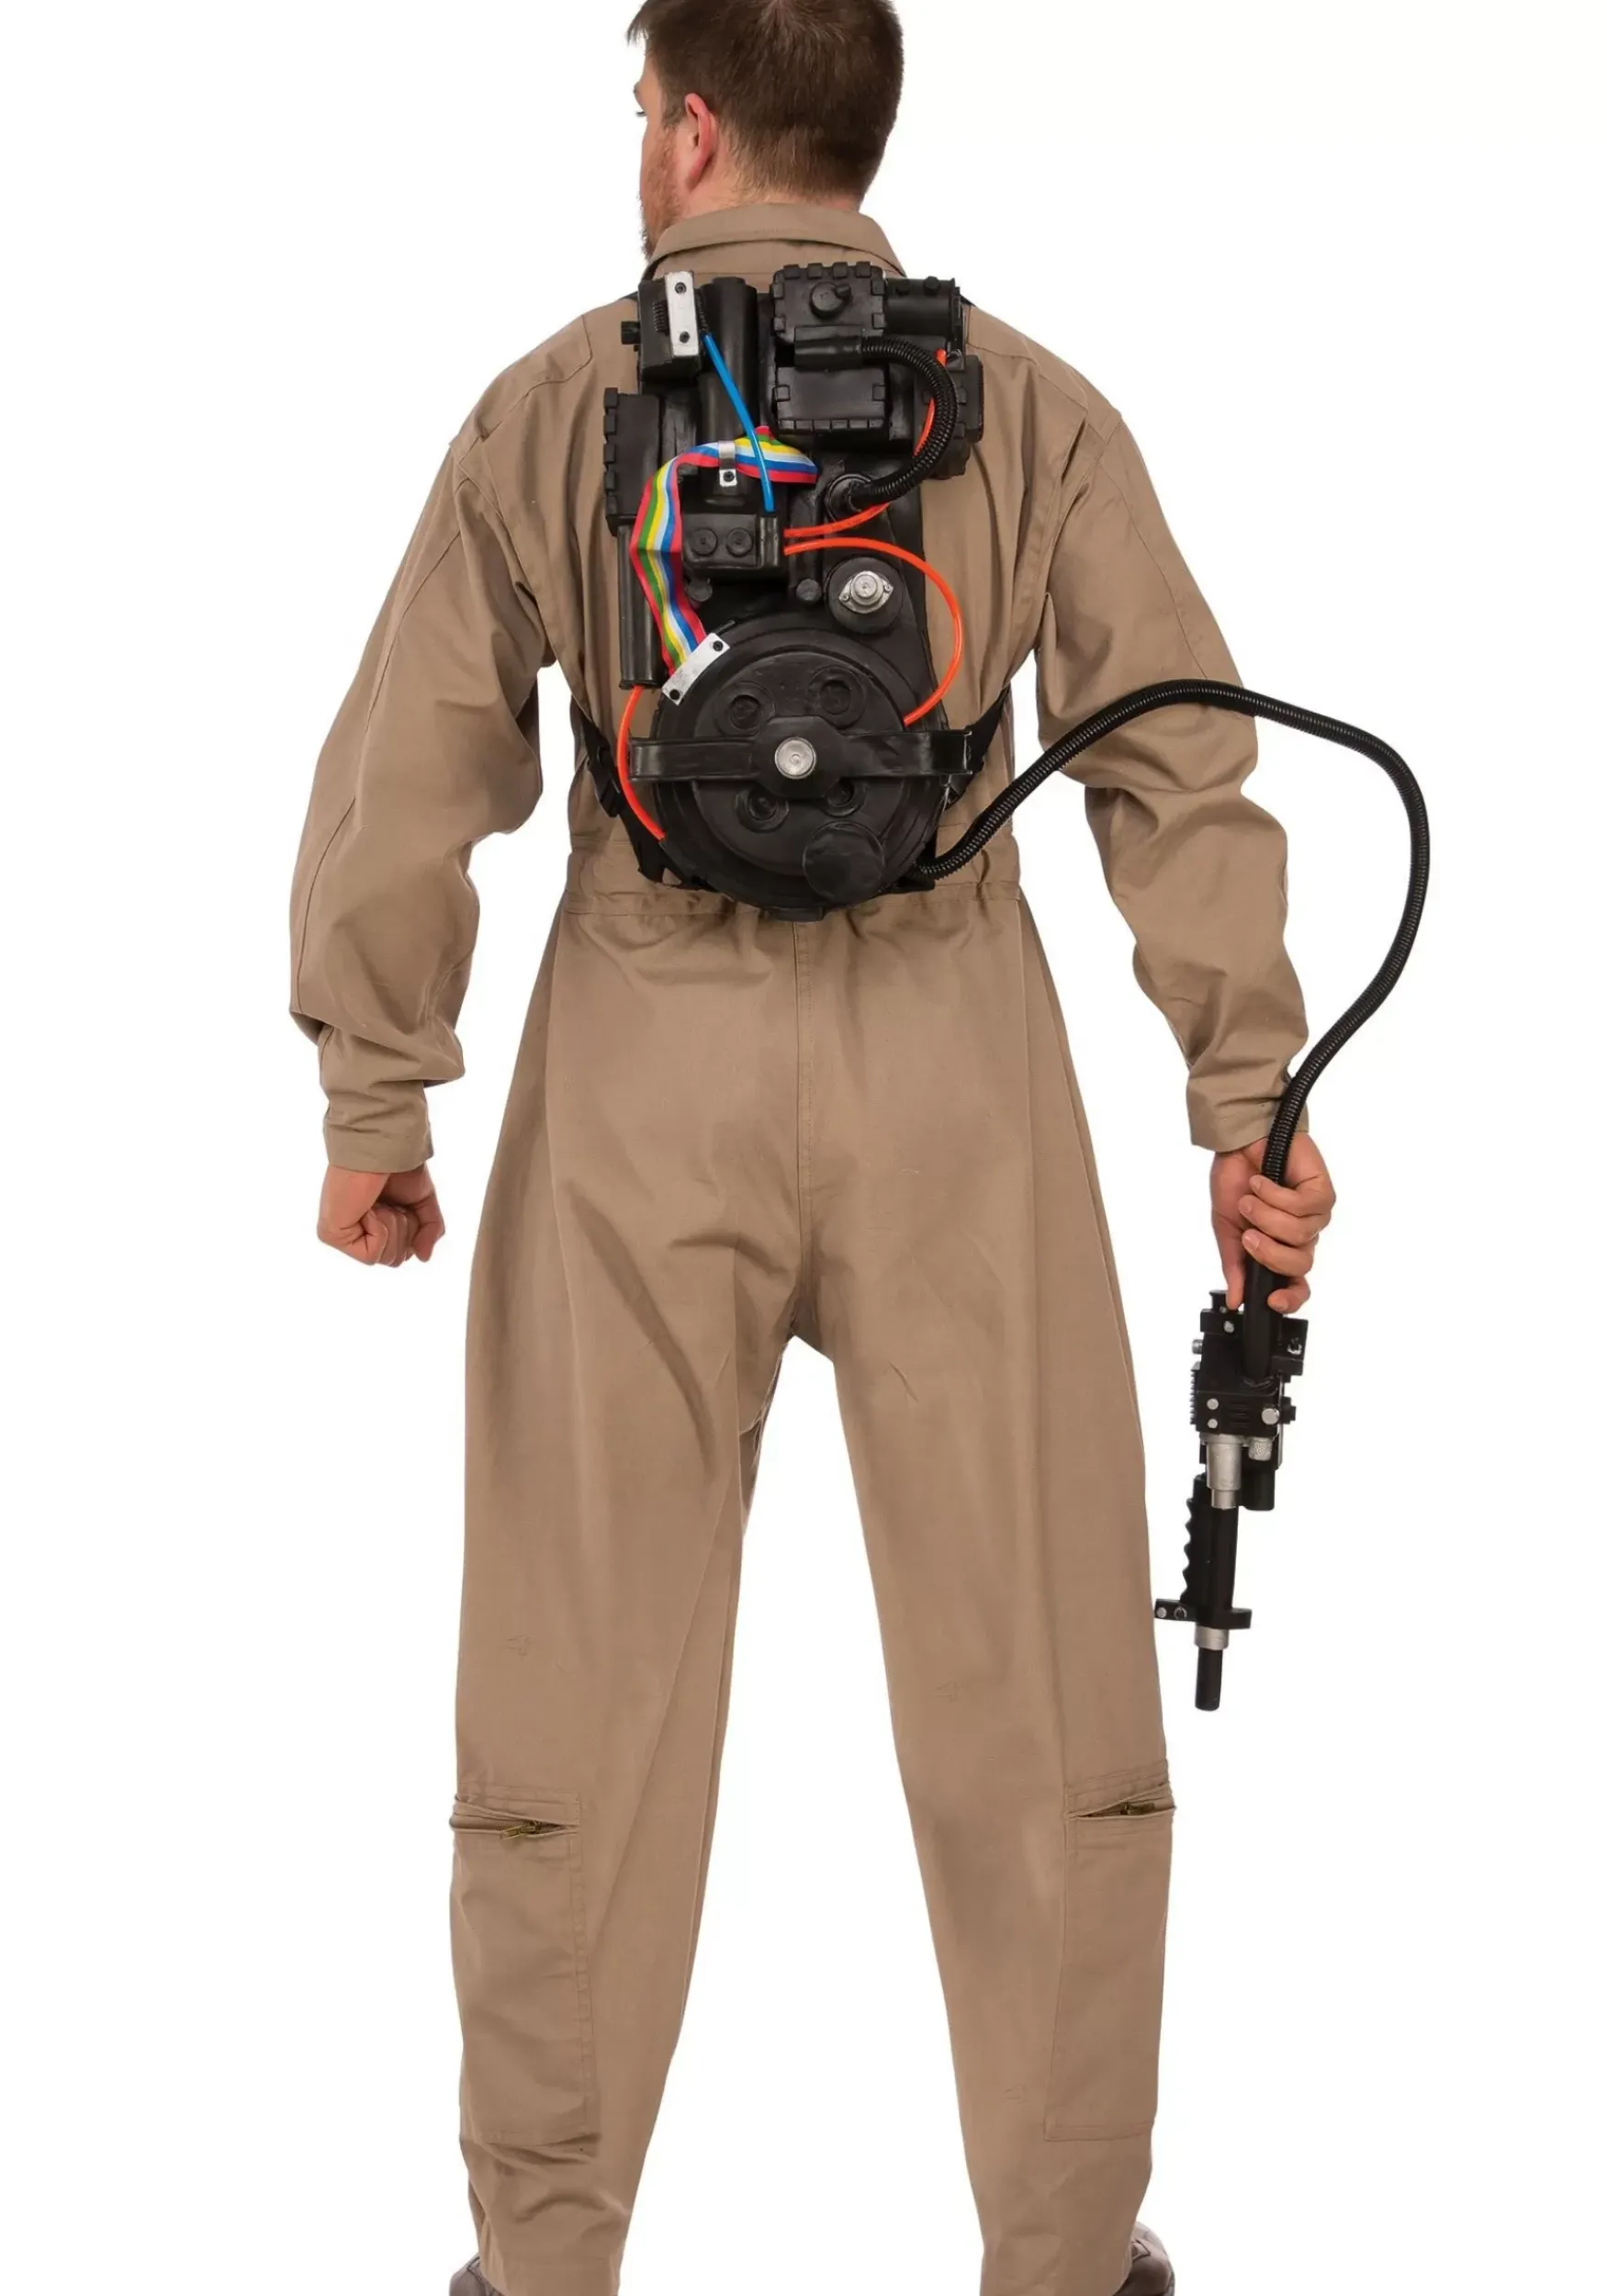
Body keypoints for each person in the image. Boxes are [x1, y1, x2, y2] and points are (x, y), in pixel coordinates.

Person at [289, 3, 1337, 2291]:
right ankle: (1062, 2252)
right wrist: (1244, 1095)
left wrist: (379, 1090)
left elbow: (412, 763)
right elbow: (1176, 764)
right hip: (954, 1052)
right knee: (1037, 1691)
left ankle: (541, 2259)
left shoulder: (552, 402)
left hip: (635, 1053)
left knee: (573, 1691)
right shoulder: (1027, 405)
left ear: (689, 129)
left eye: (632, 114)